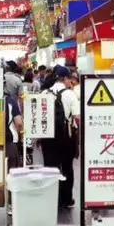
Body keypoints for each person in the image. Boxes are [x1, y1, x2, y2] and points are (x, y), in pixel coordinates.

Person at [43, 66, 81, 209]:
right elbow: (77, 118)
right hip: (66, 137)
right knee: (67, 168)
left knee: (51, 168)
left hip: (48, 137)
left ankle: (53, 198)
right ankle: (66, 199)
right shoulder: (70, 94)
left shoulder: (45, 93)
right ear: (65, 79)